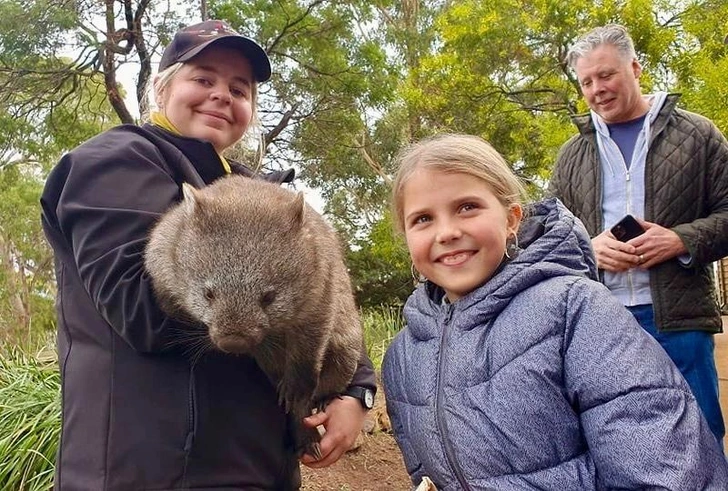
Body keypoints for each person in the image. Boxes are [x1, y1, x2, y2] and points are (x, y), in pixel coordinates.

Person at [40, 19, 376, 490]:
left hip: (257, 467)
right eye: (202, 79)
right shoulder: (116, 161)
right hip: (149, 473)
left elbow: (326, 288)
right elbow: (140, 311)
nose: (222, 95)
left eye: (239, 89)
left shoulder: (262, 197)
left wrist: (355, 389)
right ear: (160, 88)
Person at [382, 133, 727, 490]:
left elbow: (665, 469)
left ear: (511, 218)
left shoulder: (575, 312)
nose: (447, 232)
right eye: (422, 219)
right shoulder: (402, 358)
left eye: (467, 207)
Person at [549, 23, 728, 444]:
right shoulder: (572, 154)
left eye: (606, 74)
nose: (597, 89)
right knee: (617, 442)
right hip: (600, 321)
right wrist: (587, 249)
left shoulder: (698, 136)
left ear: (635, 67)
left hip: (678, 318)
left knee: (698, 439)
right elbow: (547, 233)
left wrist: (682, 239)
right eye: (586, 81)